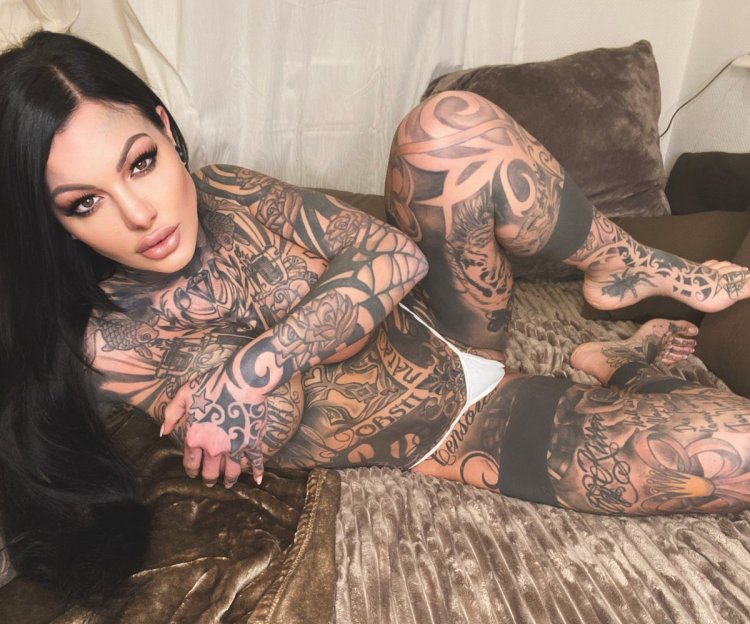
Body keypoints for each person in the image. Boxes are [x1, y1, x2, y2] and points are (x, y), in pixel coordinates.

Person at [2, 30, 750, 602]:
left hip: (451, 318)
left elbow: (396, 255)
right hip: (463, 430)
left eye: (140, 162)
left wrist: (252, 366)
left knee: (448, 125)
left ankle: (627, 265)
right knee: (737, 451)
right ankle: (617, 367)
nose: (140, 213)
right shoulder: (107, 346)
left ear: (166, 129)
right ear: (51, 220)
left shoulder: (226, 190)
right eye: (85, 202)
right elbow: (264, 422)